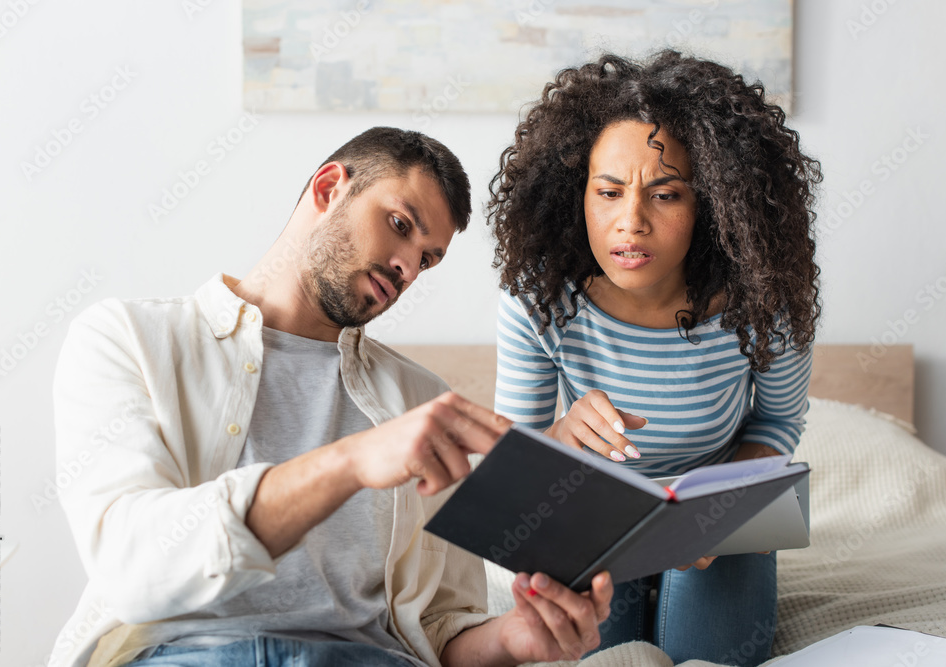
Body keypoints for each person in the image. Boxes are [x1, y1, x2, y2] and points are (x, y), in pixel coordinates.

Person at [49, 126, 613, 667]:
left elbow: (440, 628)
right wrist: (352, 460)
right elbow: (133, 561)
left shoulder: (422, 402)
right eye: (399, 224)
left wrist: (515, 637)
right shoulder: (130, 340)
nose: (407, 266)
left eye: (428, 257)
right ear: (328, 189)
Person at [488, 51, 822, 666]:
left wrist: (720, 498)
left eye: (665, 194)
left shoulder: (765, 300)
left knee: (709, 656)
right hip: (592, 518)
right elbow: (516, 461)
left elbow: (777, 424)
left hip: (718, 522)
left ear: (715, 204)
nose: (631, 223)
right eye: (608, 192)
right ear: (576, 194)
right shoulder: (539, 299)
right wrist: (563, 436)